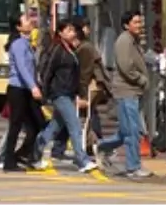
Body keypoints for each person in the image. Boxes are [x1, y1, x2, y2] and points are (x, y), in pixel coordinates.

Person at [33, 22, 98, 173]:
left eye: (73, 30)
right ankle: (82, 161)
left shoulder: (70, 49)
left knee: (54, 127)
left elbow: (74, 75)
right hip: (59, 93)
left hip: (67, 93)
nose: (72, 32)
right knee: (75, 126)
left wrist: (77, 94)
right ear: (60, 33)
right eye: (68, 30)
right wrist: (45, 93)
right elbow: (48, 72)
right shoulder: (58, 50)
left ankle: (34, 153)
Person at [95, 10, 151, 177]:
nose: (139, 26)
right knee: (132, 131)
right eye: (135, 22)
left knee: (127, 130)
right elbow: (126, 67)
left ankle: (102, 146)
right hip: (126, 91)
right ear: (126, 25)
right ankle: (133, 167)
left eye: (140, 22)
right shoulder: (124, 41)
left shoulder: (133, 40)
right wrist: (142, 79)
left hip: (133, 91)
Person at [0, 13, 45, 172]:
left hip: (26, 89)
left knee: (38, 124)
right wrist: (33, 87)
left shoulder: (26, 43)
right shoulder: (18, 44)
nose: (30, 21)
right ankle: (8, 161)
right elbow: (22, 68)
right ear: (19, 27)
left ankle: (20, 155)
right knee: (16, 126)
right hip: (18, 89)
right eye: (26, 20)